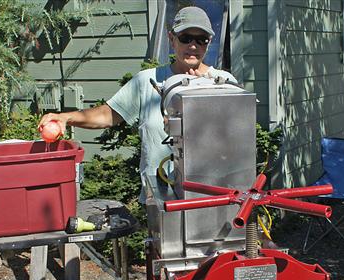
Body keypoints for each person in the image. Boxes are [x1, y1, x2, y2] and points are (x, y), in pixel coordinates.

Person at [38, 6, 237, 201]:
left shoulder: (223, 83)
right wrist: (66, 117)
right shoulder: (147, 81)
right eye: (185, 38)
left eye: (201, 40)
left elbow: (234, 138)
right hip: (159, 196)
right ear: (171, 39)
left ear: (209, 43)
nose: (193, 46)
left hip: (210, 194)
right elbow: (107, 115)